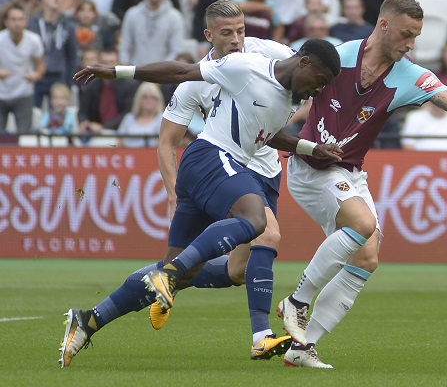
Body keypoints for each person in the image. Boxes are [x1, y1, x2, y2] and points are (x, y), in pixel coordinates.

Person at [59, 37, 342, 368]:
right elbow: (181, 71)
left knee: (179, 271)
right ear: (304, 63)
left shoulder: (290, 95)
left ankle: (88, 321)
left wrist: (311, 149)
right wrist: (116, 71)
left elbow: (267, 132)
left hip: (209, 167)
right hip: (211, 156)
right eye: (319, 82)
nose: (317, 92)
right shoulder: (246, 66)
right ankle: (191, 289)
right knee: (256, 220)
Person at [275, 0, 447, 369]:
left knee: (367, 258)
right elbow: (288, 80)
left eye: (416, 36)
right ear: (383, 25)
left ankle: (301, 348)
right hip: (310, 169)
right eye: (406, 34)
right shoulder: (338, 57)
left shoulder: (410, 75)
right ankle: (297, 301)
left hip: (349, 173)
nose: (411, 44)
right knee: (362, 224)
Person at [153, 0, 321, 360]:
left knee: (237, 270)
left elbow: (311, 78)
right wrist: (172, 195)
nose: (236, 39)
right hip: (224, 167)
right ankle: (261, 336)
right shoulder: (196, 80)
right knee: (268, 232)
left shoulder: (271, 54)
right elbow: (167, 141)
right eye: (226, 33)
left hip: (267, 169)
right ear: (208, 35)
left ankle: (160, 278)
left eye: (241, 30)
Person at [26, 0, 76, 108]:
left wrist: (69, 81)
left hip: (59, 75)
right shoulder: (32, 24)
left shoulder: (68, 25)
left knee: (57, 116)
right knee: (34, 113)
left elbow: (72, 56)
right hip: (36, 76)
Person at [118, 0, 185, 66]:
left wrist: (162, 68)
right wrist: (126, 67)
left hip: (164, 73)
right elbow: (124, 45)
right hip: (136, 71)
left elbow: (176, 49)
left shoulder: (175, 17)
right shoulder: (132, 14)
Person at [0, 2, 44, 133]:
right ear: (6, 22)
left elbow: (40, 65)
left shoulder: (34, 40)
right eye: (13, 19)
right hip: (1, 93)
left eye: (20, 19)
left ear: (25, 21)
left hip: (24, 93)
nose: (17, 23)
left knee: (24, 136)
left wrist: (36, 75)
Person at [77, 49, 139, 133]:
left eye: (111, 62)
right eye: (104, 62)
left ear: (118, 64)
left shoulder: (129, 86)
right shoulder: (91, 85)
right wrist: (85, 123)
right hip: (95, 133)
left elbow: (127, 115)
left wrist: (103, 127)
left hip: (123, 132)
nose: (108, 66)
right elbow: (82, 112)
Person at [116, 82, 164, 148]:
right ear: (138, 99)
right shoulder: (129, 118)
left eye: (153, 98)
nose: (149, 101)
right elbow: (119, 142)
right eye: (145, 97)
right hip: (129, 155)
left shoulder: (162, 119)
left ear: (158, 100)